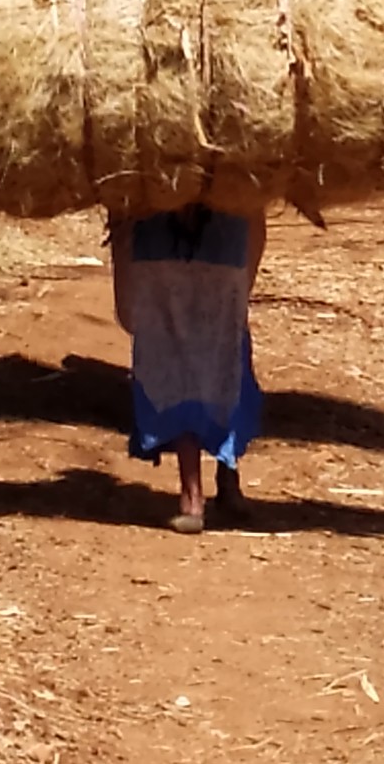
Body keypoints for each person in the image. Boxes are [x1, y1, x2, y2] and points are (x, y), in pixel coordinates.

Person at [109, 204, 267, 532]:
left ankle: (202, 491)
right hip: (181, 238)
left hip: (172, 236)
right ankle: (209, 484)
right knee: (214, 350)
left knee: (186, 356)